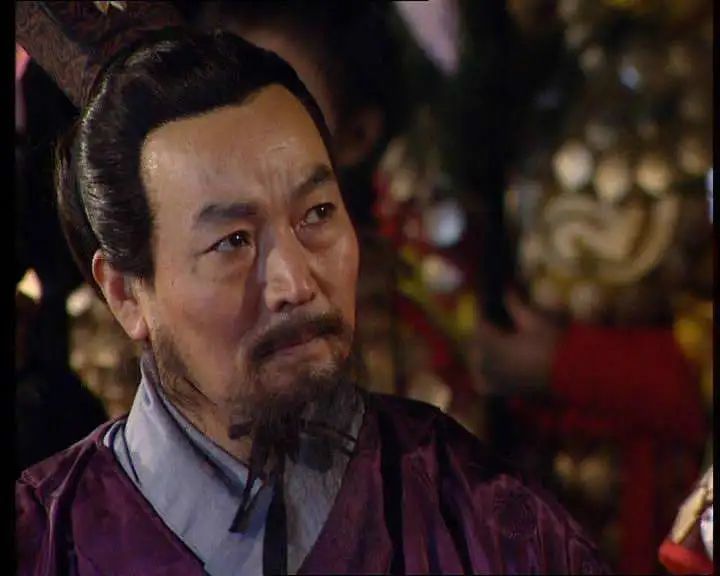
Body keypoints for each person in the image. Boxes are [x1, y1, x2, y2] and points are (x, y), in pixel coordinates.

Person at [16, 22, 609, 576]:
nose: (295, 284)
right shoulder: (42, 544)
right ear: (125, 294)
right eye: (233, 242)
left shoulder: (480, 516)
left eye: (318, 214)